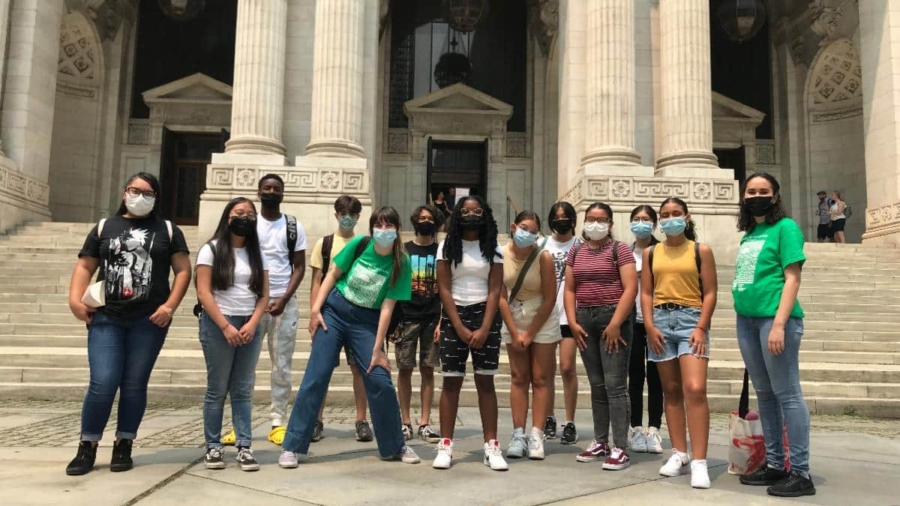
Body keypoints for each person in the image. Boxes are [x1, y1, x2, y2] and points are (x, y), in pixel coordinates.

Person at [66, 173, 191, 476]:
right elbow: (85, 265)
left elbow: (183, 270)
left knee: (134, 385)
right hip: (107, 316)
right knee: (103, 381)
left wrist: (169, 306)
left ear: (156, 198)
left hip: (149, 320)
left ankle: (124, 443)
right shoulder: (105, 227)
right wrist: (74, 299)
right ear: (124, 193)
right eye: (135, 190)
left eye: (148, 193)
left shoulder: (168, 230)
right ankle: (88, 444)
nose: (140, 196)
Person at [279, 206, 421, 467]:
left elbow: (388, 307)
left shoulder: (402, 261)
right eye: (379, 225)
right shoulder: (359, 244)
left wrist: (378, 350)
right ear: (371, 228)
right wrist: (315, 311)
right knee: (316, 376)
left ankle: (394, 445)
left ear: (397, 229)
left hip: (367, 321)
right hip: (335, 311)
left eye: (389, 225)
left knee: (380, 379)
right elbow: (331, 274)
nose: (383, 230)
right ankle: (293, 445)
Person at [733, 173, 815, 497]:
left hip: (774, 320)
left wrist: (780, 323)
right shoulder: (750, 232)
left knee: (788, 393)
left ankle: (801, 472)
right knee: (764, 394)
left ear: (776, 196)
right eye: (751, 191)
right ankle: (776, 465)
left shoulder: (786, 228)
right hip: (748, 321)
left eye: (763, 191)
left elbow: (792, 278)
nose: (756, 195)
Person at [641, 197, 717, 489]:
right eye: (665, 215)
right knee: (670, 391)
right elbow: (646, 292)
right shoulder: (651, 252)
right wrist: (649, 325)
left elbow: (710, 292)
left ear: (686, 217)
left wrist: (701, 327)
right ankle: (679, 453)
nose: (670, 219)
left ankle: (699, 461)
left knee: (695, 389)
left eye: (676, 214)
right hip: (660, 321)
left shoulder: (700, 250)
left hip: (690, 321)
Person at [432, 196, 508, 471]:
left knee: (485, 383)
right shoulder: (446, 246)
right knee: (451, 383)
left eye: (476, 210)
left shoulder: (494, 247)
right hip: (455, 316)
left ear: (485, 214)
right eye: (465, 210)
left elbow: (495, 289)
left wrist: (485, 327)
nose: (471, 214)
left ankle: (492, 445)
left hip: (485, 314)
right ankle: (446, 444)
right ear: (457, 215)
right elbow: (444, 288)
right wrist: (460, 326)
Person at [196, 197, 270, 471]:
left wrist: (252, 323)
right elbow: (203, 292)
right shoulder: (212, 249)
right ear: (227, 217)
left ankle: (244, 446)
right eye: (239, 213)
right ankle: (213, 447)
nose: (245, 218)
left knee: (242, 388)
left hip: (250, 323)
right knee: (217, 389)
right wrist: (225, 326)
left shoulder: (257, 253)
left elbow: (264, 294)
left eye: (250, 214)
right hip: (219, 324)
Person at [564, 202, 638, 471]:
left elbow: (631, 288)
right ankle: (600, 441)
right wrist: (572, 321)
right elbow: (570, 288)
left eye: (601, 219)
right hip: (585, 319)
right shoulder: (576, 250)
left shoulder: (620, 250)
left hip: (612, 319)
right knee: (596, 384)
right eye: (591, 219)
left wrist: (617, 323)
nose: (595, 224)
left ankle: (620, 446)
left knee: (615, 384)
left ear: (610, 223)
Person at [308, 195, 372, 442]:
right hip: (328, 314)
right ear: (336, 214)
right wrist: (314, 313)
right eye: (343, 213)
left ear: (358, 217)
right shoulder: (323, 244)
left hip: (357, 314)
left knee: (359, 369)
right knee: (322, 369)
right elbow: (316, 281)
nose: (347, 218)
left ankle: (361, 420)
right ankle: (317, 419)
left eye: (352, 214)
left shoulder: (365, 244)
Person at [499, 210, 561, 461]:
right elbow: (500, 296)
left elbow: (550, 298)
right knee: (518, 377)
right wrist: (515, 333)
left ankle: (536, 434)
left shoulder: (543, 257)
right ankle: (518, 434)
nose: (529, 234)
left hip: (541, 316)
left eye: (534, 231)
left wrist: (530, 333)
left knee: (540, 377)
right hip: (513, 314)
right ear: (513, 227)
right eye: (524, 228)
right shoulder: (500, 254)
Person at [393, 205, 444, 443]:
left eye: (430, 218)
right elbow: (392, 285)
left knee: (428, 370)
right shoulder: (403, 250)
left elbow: (446, 288)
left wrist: (442, 321)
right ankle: (405, 422)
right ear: (414, 221)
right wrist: (393, 323)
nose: (425, 221)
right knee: (404, 370)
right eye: (422, 218)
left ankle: (424, 422)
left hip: (433, 317)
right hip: (406, 317)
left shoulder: (442, 251)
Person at [543, 202, 581, 444]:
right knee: (545, 372)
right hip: (546, 316)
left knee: (567, 368)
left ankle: (570, 421)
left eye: (566, 216)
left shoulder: (581, 246)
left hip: (571, 315)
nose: (561, 220)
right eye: (557, 216)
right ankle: (549, 417)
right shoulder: (541, 245)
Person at [627, 205, 663, 455]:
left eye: (646, 219)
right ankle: (636, 427)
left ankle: (654, 428)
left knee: (657, 377)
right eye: (637, 219)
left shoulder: (662, 251)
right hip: (632, 322)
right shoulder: (624, 252)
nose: (641, 223)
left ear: (654, 223)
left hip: (658, 321)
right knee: (635, 377)